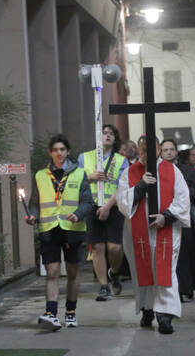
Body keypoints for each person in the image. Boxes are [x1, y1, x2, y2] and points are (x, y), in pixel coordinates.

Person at [117, 136, 191, 334]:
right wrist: (140, 185)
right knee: (143, 269)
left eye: (149, 147)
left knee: (165, 269)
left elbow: (183, 200)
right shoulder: (130, 172)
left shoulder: (172, 171)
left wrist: (166, 217)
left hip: (165, 229)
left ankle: (165, 315)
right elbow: (123, 202)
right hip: (137, 233)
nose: (145, 152)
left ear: (158, 148)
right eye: (142, 148)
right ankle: (147, 309)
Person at [26, 134, 94, 331]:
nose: (59, 153)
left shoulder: (80, 174)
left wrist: (78, 214)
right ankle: (51, 313)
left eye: (62, 149)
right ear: (51, 152)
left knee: (72, 272)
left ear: (68, 152)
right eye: (55, 150)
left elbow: (88, 203)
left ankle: (71, 312)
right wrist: (32, 216)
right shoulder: (40, 175)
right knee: (52, 272)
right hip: (48, 230)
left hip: (72, 230)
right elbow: (34, 204)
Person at [77, 124, 129, 301]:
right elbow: (75, 182)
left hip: (113, 207)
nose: (107, 136)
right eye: (104, 133)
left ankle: (114, 272)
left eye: (111, 134)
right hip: (92, 206)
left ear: (115, 139)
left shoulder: (121, 160)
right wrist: (89, 177)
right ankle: (103, 285)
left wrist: (107, 206)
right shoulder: (84, 158)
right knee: (97, 247)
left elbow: (123, 186)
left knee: (114, 247)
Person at [160, 139, 195, 301]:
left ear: (176, 152)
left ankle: (185, 288)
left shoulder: (187, 170)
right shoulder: (156, 170)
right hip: (164, 218)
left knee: (186, 253)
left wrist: (182, 193)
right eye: (165, 150)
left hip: (184, 217)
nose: (169, 152)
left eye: (171, 149)